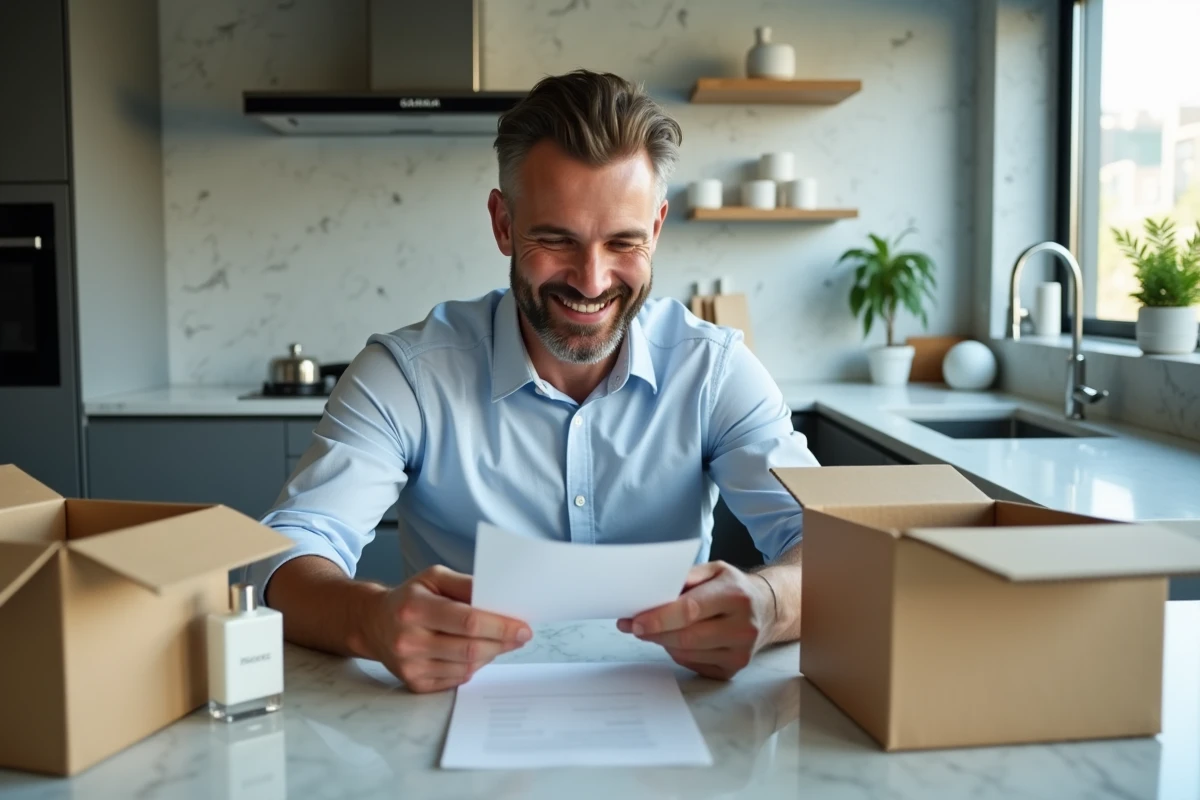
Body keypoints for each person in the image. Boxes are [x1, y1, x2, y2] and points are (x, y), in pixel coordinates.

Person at [248, 69, 819, 694]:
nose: (593, 280)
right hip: (449, 719)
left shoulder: (713, 370)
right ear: (502, 224)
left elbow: (836, 545)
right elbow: (286, 548)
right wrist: (371, 622)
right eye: (556, 240)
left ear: (656, 229)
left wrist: (769, 602)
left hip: (674, 712)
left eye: (623, 243)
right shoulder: (407, 376)